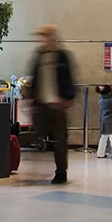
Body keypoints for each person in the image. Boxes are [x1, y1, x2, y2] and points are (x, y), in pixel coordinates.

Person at [28, 25, 77, 185]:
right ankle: (41, 149)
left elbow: (70, 78)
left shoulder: (62, 56)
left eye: (45, 36)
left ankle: (61, 172)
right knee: (39, 134)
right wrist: (31, 99)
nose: (42, 39)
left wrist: (67, 99)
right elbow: (34, 79)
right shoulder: (39, 56)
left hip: (57, 104)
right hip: (41, 104)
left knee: (60, 140)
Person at [95, 85, 112, 159]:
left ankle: (100, 153)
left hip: (104, 121)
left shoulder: (101, 101)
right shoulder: (111, 100)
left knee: (103, 138)